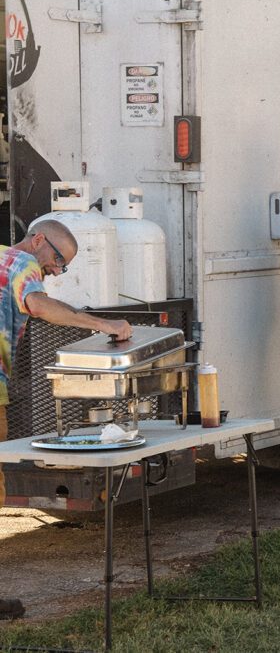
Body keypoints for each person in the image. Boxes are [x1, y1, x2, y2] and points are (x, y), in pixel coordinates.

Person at [0, 220, 132, 620]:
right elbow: (38, 305)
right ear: (38, 239)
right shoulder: (23, 262)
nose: (56, 271)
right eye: (58, 259)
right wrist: (103, 324)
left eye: (63, 267)